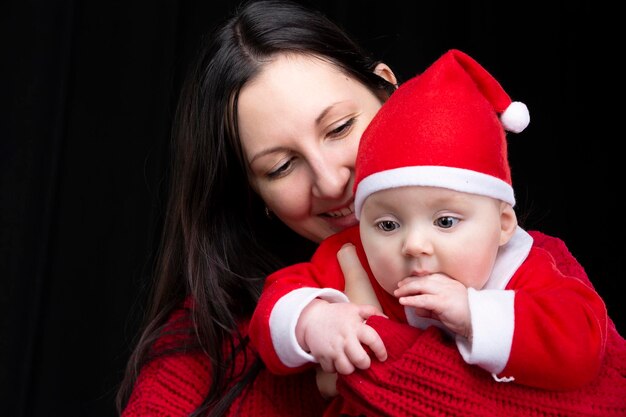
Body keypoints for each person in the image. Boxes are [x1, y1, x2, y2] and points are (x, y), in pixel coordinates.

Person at [117, 0, 626, 416]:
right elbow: (279, 307)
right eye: (280, 166)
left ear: (390, 91)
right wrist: (313, 324)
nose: (332, 180)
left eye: (339, 128)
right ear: (253, 192)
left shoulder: (534, 266)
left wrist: (376, 362)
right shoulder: (206, 343)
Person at [248, 48, 618, 393]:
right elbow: (274, 303)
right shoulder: (353, 255)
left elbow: (583, 341)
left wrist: (475, 315)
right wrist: (312, 321)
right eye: (388, 225)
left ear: (503, 224)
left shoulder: (525, 268)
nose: (414, 245)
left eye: (445, 221)